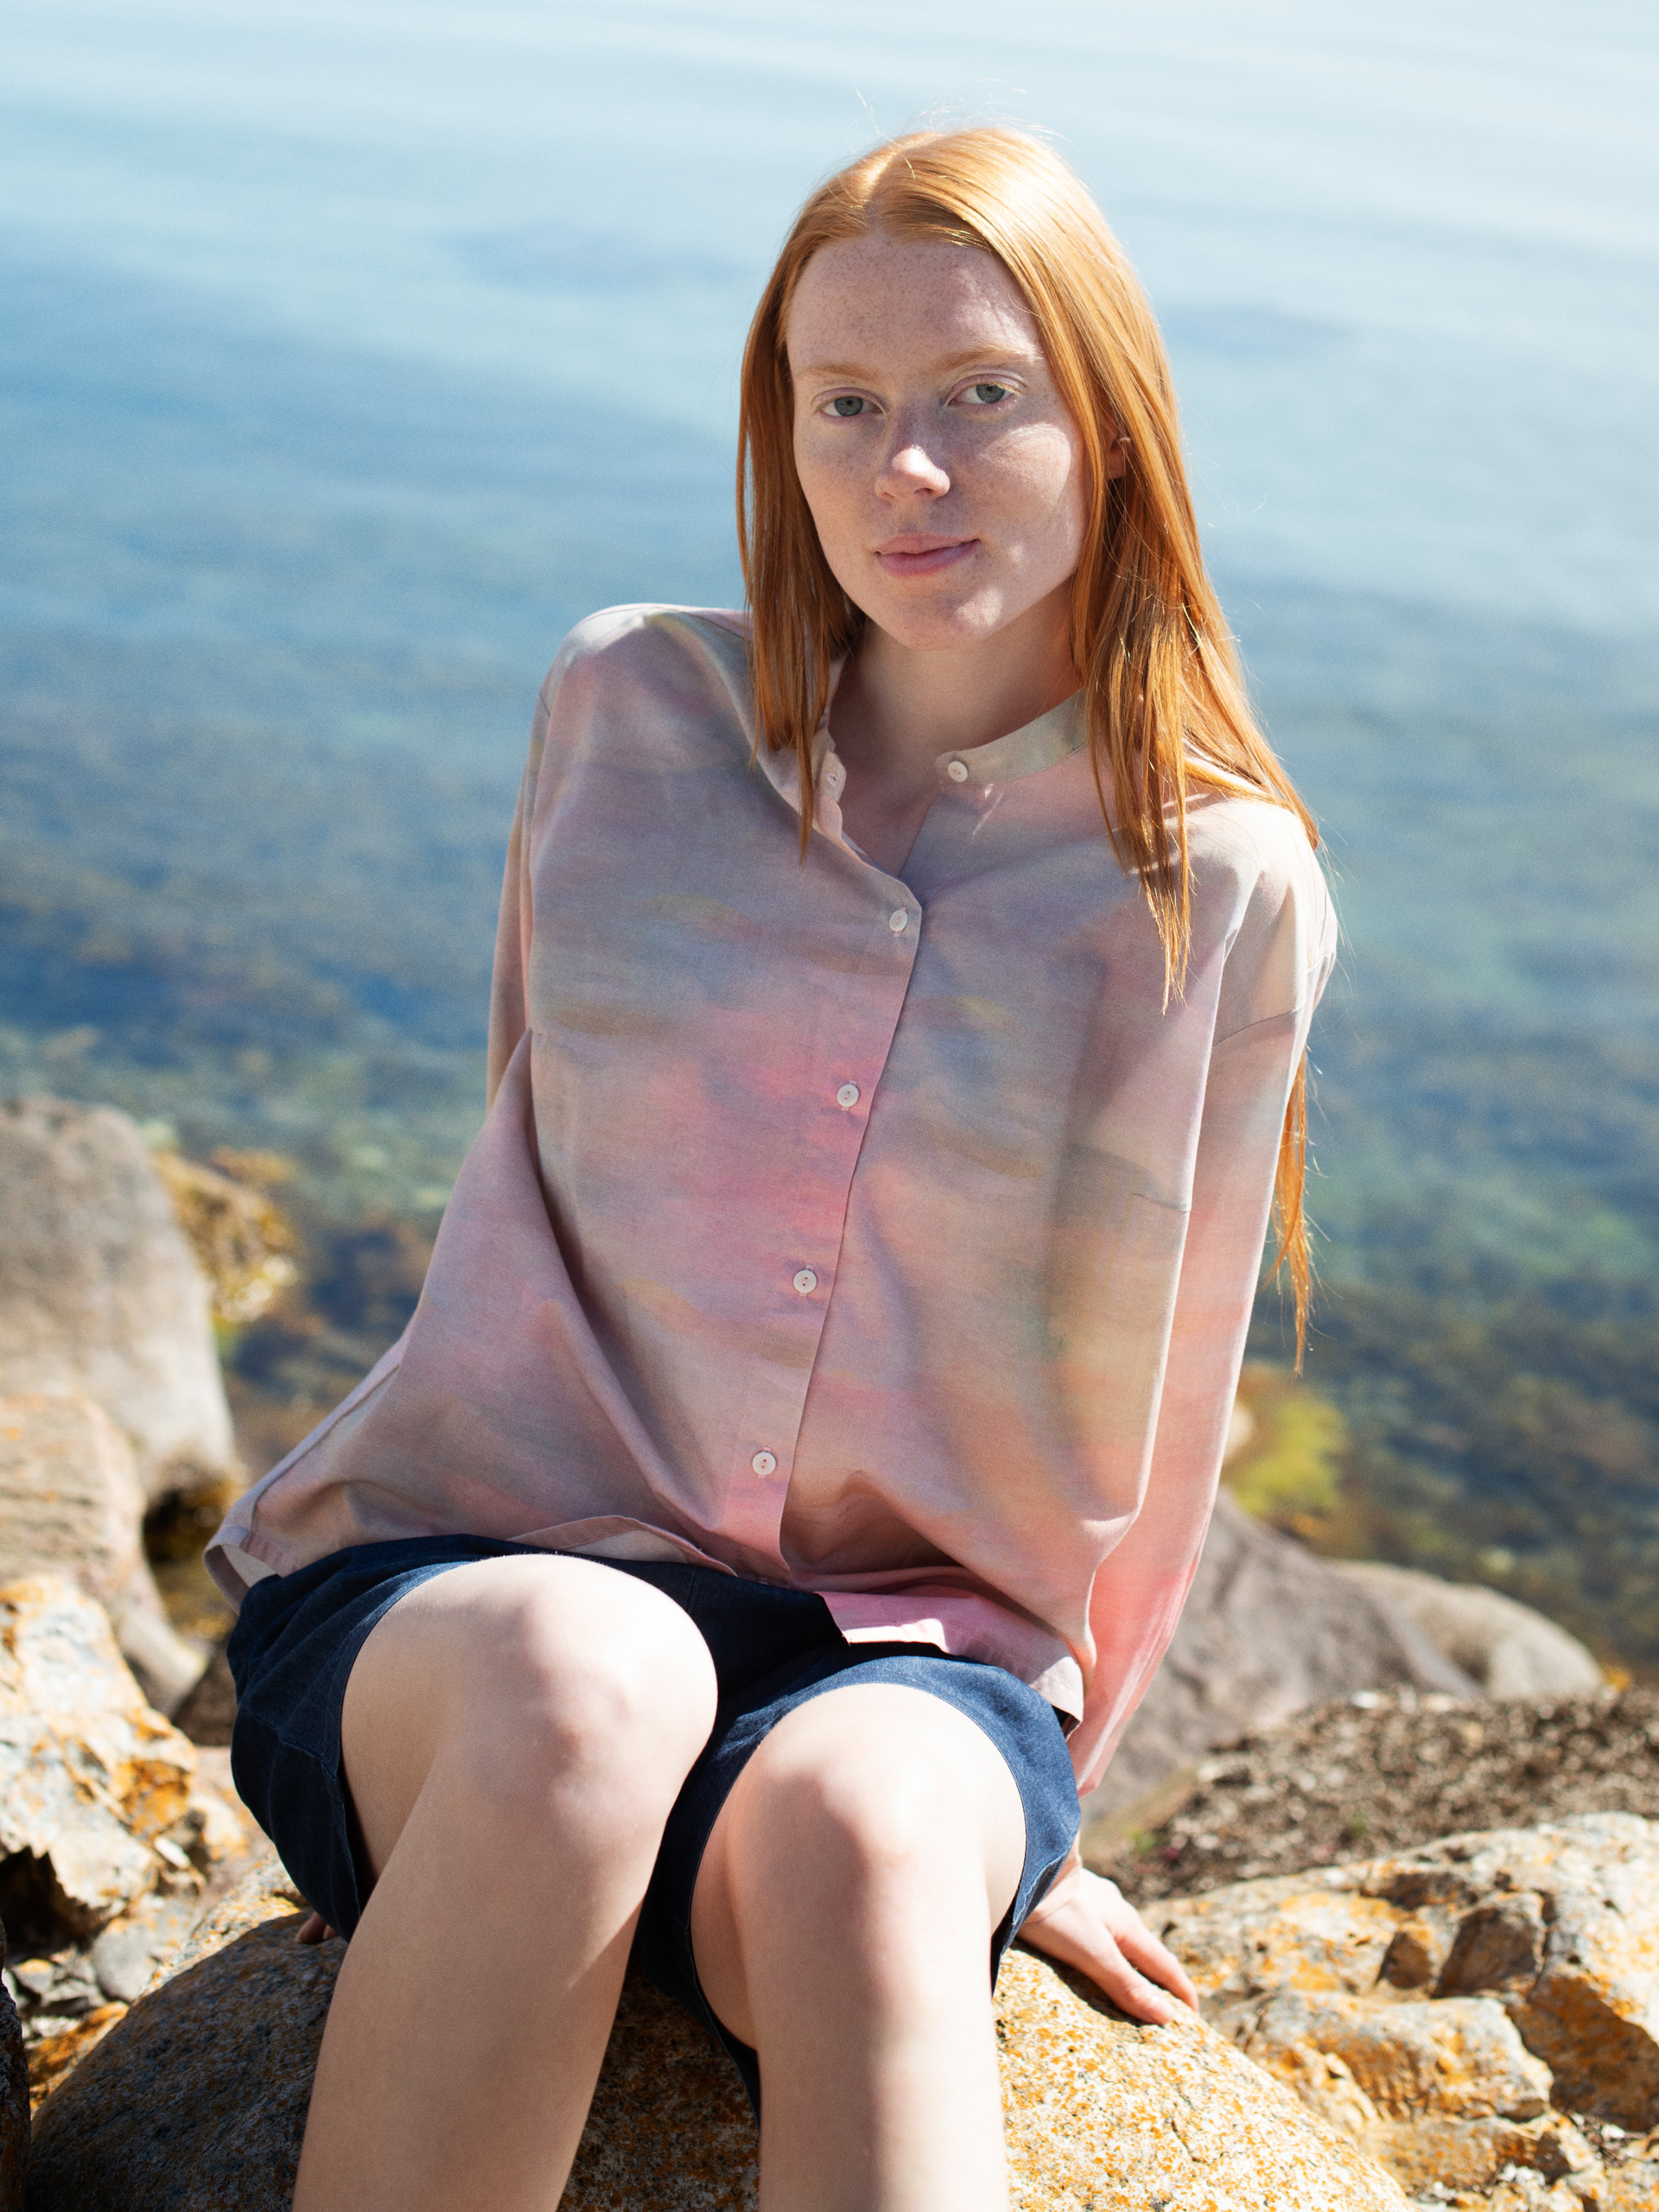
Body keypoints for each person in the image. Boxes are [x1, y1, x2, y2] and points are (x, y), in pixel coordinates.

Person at [209, 125, 1334, 2212]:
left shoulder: (1218, 888)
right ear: (783, 432)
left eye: (980, 394)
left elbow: (1150, 1443)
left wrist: (1022, 1817)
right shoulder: (623, 705)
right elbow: (524, 1143)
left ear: (1108, 418)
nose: (905, 467)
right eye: (846, 404)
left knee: (876, 1836)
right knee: (591, 1675)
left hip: (886, 1673)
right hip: (472, 1617)